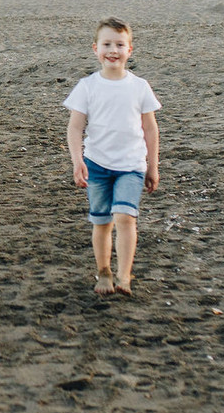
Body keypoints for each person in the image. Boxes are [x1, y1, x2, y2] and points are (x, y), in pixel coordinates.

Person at [64, 17, 160, 296]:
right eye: (107, 44)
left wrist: (153, 167)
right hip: (97, 164)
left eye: (119, 44)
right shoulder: (87, 86)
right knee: (102, 221)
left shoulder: (139, 86)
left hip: (131, 165)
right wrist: (77, 160)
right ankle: (104, 272)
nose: (113, 50)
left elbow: (151, 129)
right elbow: (75, 127)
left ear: (130, 49)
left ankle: (124, 276)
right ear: (95, 48)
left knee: (126, 218)